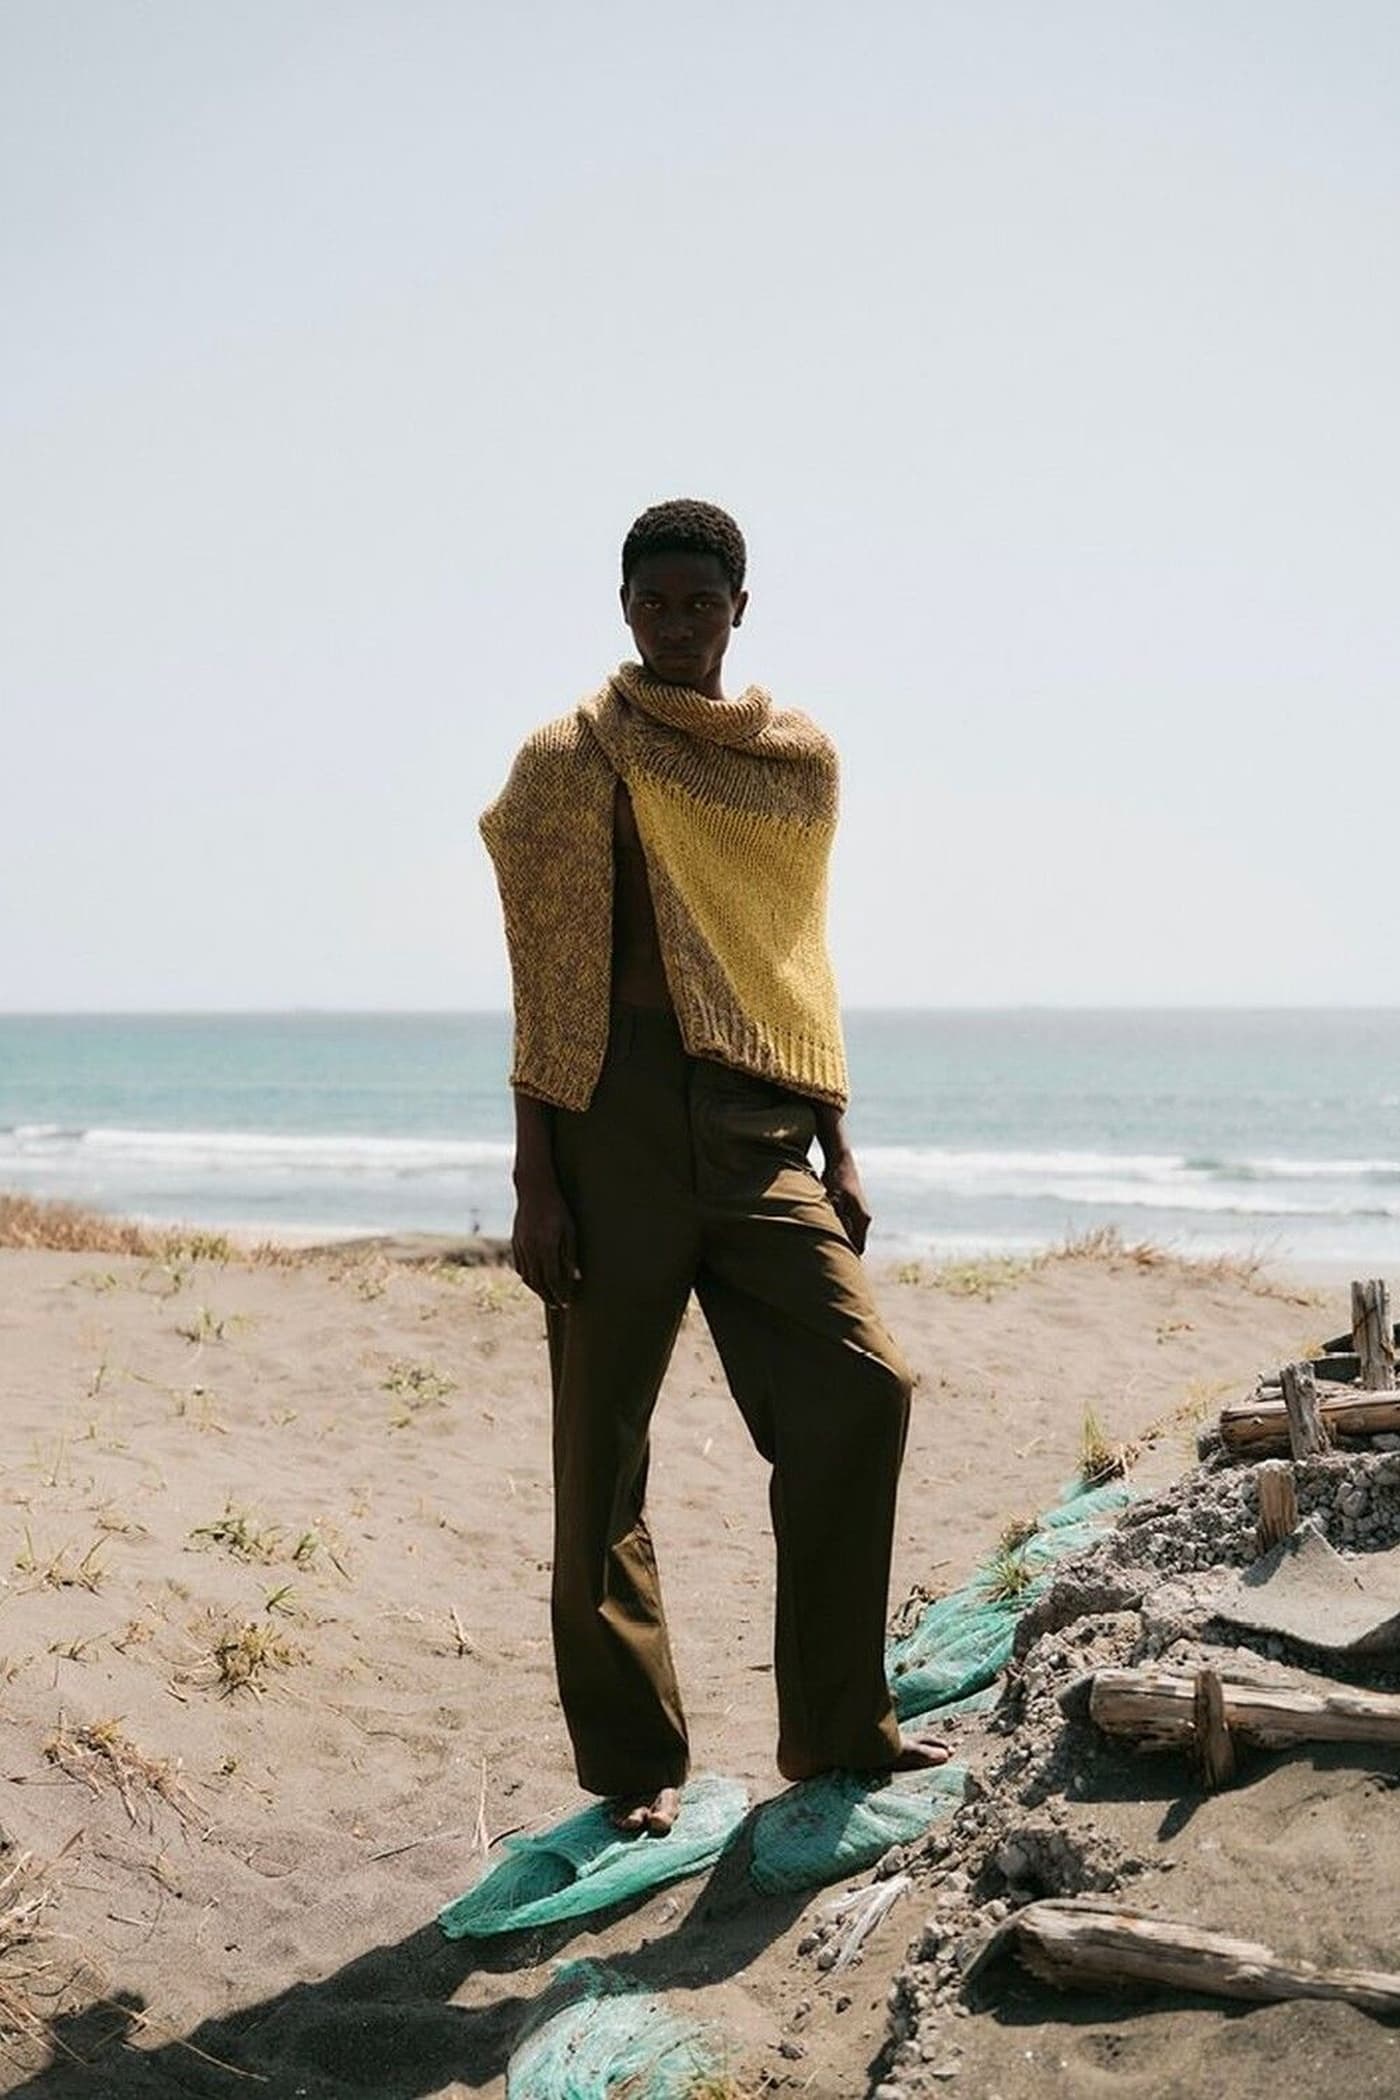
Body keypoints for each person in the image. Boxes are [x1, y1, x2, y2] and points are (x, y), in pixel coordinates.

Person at [480, 498, 945, 1837]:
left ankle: (838, 1727)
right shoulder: (566, 759)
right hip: (607, 1121)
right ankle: (638, 1764)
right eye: (654, 602)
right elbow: (543, 983)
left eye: (701, 602)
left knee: (862, 1384)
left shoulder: (794, 763)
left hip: (756, 1125)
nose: (677, 623)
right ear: (623, 608)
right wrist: (535, 1179)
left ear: (742, 608)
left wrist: (837, 1139)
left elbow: (794, 963)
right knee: (601, 1456)